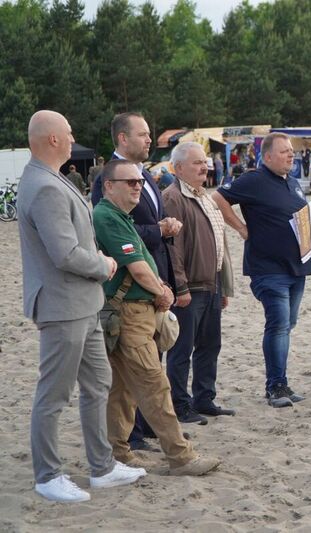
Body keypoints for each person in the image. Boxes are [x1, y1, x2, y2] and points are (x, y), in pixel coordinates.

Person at [18, 110, 145, 502]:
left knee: (97, 383)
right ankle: (47, 475)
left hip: (83, 303)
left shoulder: (51, 179)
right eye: (69, 133)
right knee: (53, 394)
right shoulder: (44, 186)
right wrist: (105, 264)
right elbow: (65, 253)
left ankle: (102, 467)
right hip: (63, 305)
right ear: (52, 139)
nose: (74, 138)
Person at [93, 159, 221, 476]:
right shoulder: (107, 217)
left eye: (139, 181)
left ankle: (120, 452)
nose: (138, 185)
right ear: (109, 186)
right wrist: (163, 291)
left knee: (122, 388)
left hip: (132, 312)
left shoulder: (118, 216)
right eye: (129, 182)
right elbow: (137, 267)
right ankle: (181, 457)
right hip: (129, 313)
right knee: (154, 385)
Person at [92, 112, 185, 442]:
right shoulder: (108, 181)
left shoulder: (145, 175)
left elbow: (136, 231)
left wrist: (165, 230)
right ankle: (171, 448)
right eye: (143, 134)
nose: (149, 140)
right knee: (148, 380)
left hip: (149, 286)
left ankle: (132, 438)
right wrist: (158, 230)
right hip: (130, 293)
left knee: (132, 382)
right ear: (122, 139)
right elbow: (117, 237)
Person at [212, 133, 311, 408]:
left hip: (298, 266)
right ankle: (275, 386)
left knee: (287, 324)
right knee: (278, 324)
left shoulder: (293, 183)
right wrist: (239, 227)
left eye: (291, 152)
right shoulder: (254, 180)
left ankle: (281, 381)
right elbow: (217, 197)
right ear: (268, 156)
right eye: (284, 152)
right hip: (268, 267)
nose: (290, 156)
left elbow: (296, 216)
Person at [163, 142, 236, 422]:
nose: (203, 166)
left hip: (211, 284)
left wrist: (224, 287)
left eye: (204, 161)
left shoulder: (206, 196)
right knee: (181, 350)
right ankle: (180, 406)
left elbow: (221, 245)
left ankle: (204, 399)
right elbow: (174, 247)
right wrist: (179, 286)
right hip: (190, 287)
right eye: (196, 162)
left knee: (209, 345)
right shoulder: (173, 197)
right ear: (178, 168)